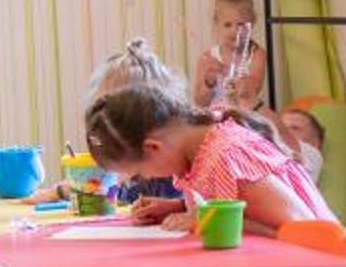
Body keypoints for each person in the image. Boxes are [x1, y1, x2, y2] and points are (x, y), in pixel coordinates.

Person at [82, 85, 332, 238]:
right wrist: (178, 207)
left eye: (140, 171)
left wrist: (208, 220)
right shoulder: (197, 152)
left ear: (153, 148)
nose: (145, 178)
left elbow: (301, 229)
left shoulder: (228, 154)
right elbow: (242, 206)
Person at [193, 0, 267, 114]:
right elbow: (200, 102)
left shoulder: (256, 54)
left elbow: (254, 89)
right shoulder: (207, 58)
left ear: (252, 24)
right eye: (227, 25)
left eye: (241, 25)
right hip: (216, 117)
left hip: (247, 117)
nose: (234, 30)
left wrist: (230, 75)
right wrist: (209, 82)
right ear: (217, 25)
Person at [275, 106, 328, 188]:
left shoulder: (314, 155)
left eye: (295, 128)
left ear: (315, 143)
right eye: (282, 127)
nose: (285, 131)